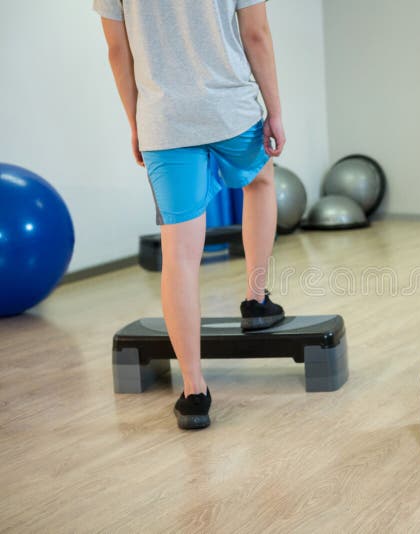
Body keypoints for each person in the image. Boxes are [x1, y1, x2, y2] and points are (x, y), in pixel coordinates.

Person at [95, 0, 286, 430]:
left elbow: (116, 49)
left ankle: (194, 391)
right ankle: (256, 300)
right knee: (260, 183)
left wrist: (135, 123)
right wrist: (274, 110)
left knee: (179, 254)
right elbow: (257, 33)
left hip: (165, 122)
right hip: (231, 110)